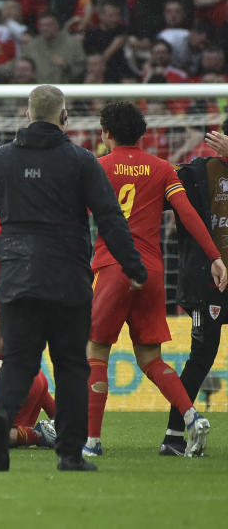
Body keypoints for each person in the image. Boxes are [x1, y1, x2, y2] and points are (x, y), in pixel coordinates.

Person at [0, 84, 147, 472]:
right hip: (68, 280)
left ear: (27, 115)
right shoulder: (81, 161)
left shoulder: (1, 160)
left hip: (17, 278)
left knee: (17, 362)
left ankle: (0, 415)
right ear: (64, 118)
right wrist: (133, 265)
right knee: (70, 367)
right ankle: (68, 453)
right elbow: (110, 219)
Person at [85, 101, 224, 459]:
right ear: (142, 133)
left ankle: (92, 441)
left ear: (107, 133)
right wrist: (215, 257)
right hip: (151, 272)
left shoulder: (97, 168)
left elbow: (76, 217)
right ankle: (191, 417)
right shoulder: (162, 168)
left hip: (114, 267)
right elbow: (190, 216)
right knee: (150, 358)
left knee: (96, 352)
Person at [161, 120, 228, 456]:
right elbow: (154, 194)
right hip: (208, 281)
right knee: (201, 357)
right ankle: (173, 437)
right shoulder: (197, 173)